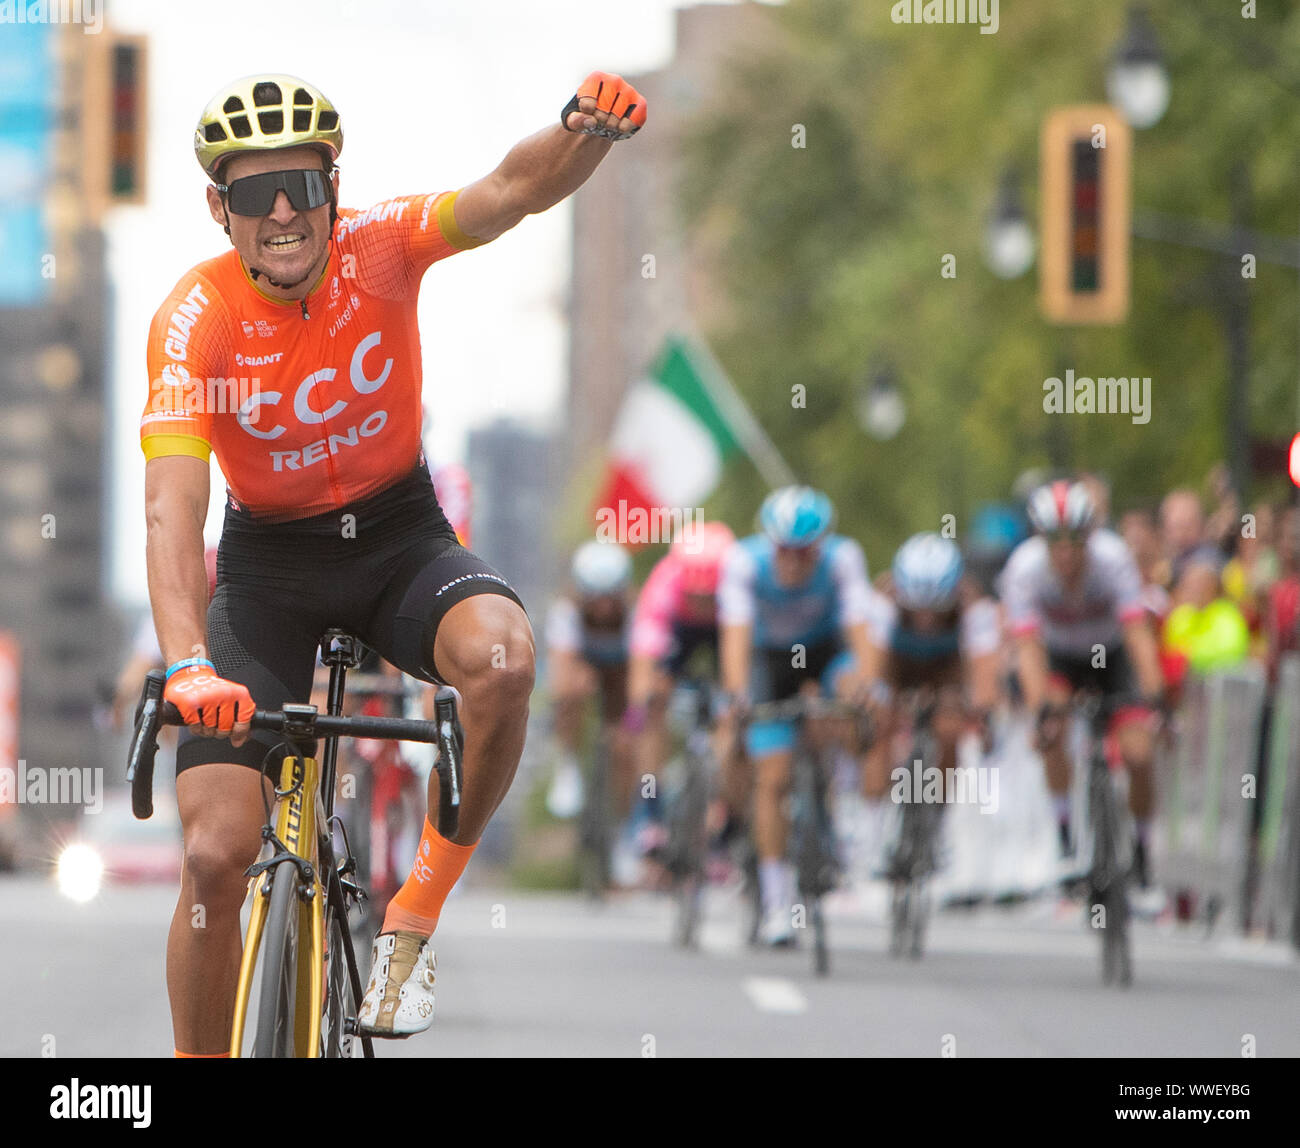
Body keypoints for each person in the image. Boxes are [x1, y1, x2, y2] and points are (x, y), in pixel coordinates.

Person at [142, 70, 646, 1053]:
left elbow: (507, 193)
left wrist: (582, 131)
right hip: (268, 567)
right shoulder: (191, 318)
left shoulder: (381, 245)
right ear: (220, 208)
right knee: (212, 854)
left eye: (303, 185)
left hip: (397, 537)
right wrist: (187, 658)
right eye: (253, 192)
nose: (282, 211)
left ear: (335, 188)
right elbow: (172, 503)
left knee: (502, 659)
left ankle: (412, 920)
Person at [716, 486, 878, 945]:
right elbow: (735, 637)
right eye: (783, 552)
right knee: (773, 777)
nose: (791, 563)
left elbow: (860, 626)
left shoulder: (844, 559)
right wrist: (735, 693)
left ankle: (841, 811)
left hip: (825, 653)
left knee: (855, 697)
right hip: (768, 660)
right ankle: (775, 901)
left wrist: (866, 684)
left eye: (803, 554)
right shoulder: (745, 563)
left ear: (820, 546)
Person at [1000, 479, 1165, 893]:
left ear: (1090, 535)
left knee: (1139, 752)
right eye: (1056, 541)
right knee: (1052, 726)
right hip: (1059, 659)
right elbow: (1028, 646)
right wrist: (1042, 711)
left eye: (1076, 540)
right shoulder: (1024, 569)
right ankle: (1065, 836)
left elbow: (1137, 633)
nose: (1067, 551)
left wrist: (1155, 693)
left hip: (1112, 656)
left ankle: (1141, 852)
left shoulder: (1113, 558)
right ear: (1042, 540)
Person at [859, 533, 1002, 876]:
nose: (924, 619)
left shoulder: (973, 604)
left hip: (946, 668)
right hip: (898, 665)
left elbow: (983, 670)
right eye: (916, 609)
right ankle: (876, 832)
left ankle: (936, 825)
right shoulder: (883, 600)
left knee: (950, 730)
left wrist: (983, 711)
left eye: (935, 609)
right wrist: (873, 703)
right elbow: (871, 669)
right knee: (878, 726)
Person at [544, 541, 636, 842]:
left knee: (625, 746)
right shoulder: (566, 612)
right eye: (596, 597)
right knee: (568, 691)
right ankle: (568, 763)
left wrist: (632, 715)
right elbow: (562, 664)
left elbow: (643, 667)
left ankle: (624, 829)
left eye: (611, 597)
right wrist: (578, 680)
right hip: (582, 668)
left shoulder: (636, 613)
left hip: (622, 673)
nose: (605, 606)